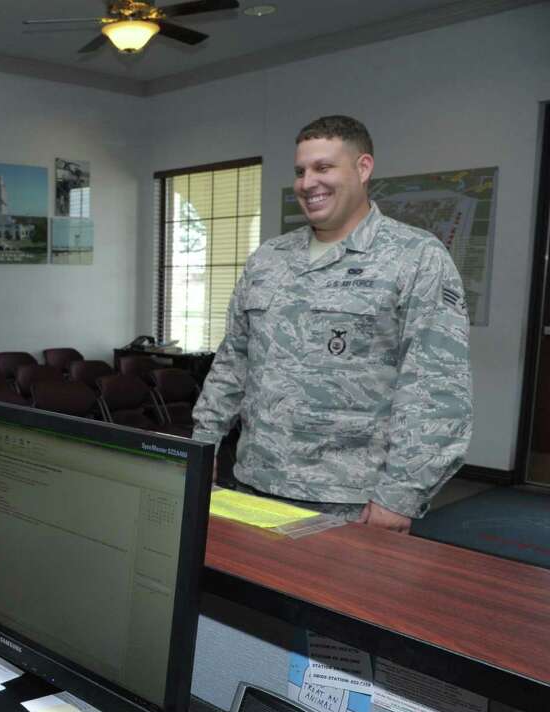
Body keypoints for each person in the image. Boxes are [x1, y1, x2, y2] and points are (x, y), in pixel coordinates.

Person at [192, 115, 472, 532]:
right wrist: (203, 447)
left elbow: (437, 389)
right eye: (300, 171)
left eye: (323, 167)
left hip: (350, 501)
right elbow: (233, 363)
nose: (308, 183)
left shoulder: (415, 257)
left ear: (363, 168)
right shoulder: (268, 260)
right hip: (254, 484)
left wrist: (400, 498)